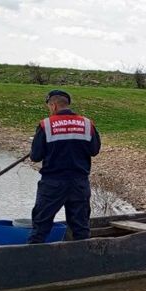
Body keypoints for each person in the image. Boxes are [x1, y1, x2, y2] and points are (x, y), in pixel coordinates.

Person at [27, 89, 101, 243]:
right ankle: (82, 260)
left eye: (49, 107)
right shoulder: (87, 124)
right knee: (81, 228)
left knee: (40, 226)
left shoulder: (46, 125)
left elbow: (35, 156)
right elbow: (94, 150)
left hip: (53, 183)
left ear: (53, 106)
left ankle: (31, 260)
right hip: (79, 182)